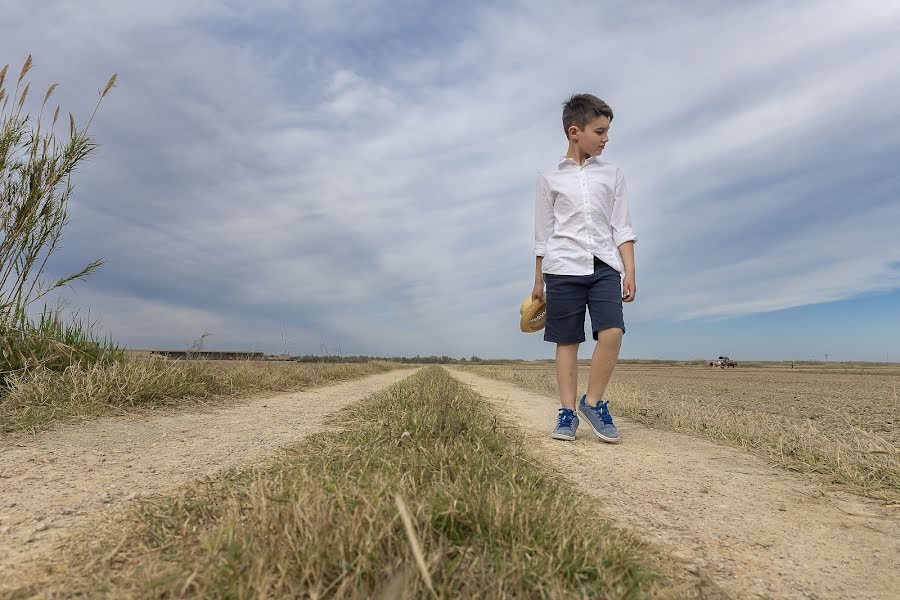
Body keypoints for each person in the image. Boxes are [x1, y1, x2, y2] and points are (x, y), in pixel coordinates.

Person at [532, 93, 637, 443]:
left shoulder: (613, 174)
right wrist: (538, 282)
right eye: (600, 131)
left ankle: (592, 403)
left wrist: (629, 270)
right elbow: (543, 234)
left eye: (607, 131)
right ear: (574, 131)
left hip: (605, 265)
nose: (606, 138)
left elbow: (621, 226)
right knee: (567, 341)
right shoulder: (549, 179)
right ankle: (566, 413)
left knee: (613, 332)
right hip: (562, 267)